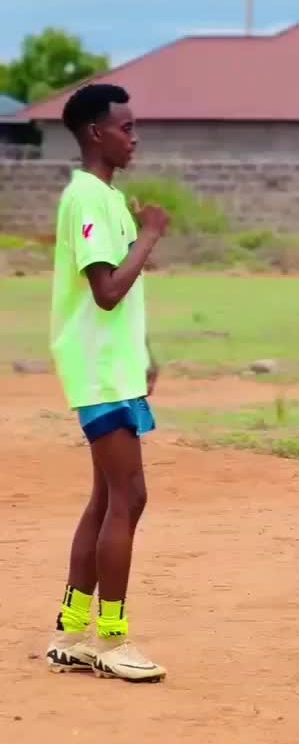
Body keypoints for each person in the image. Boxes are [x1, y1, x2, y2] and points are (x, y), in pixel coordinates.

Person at [45, 83, 170, 682]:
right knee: (129, 497)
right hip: (98, 373)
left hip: (111, 368)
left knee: (106, 498)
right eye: (126, 127)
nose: (134, 137)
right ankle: (112, 641)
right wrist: (150, 233)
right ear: (96, 133)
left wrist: (142, 353)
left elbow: (115, 300)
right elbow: (107, 290)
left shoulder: (105, 197)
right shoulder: (88, 199)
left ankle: (71, 632)